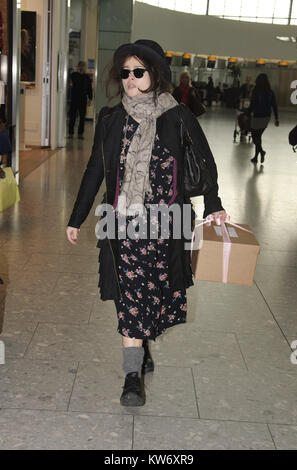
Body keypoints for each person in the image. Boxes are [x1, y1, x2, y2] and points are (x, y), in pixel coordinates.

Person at [66, 39, 226, 407]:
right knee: (130, 304)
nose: (131, 80)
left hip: (167, 227)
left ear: (155, 75)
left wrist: (213, 205)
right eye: (125, 73)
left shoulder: (178, 116)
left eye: (139, 72)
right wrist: (77, 217)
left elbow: (206, 162)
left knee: (155, 299)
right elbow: (95, 171)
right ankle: (131, 376)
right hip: (121, 227)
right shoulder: (110, 119)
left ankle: (144, 342)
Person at [245, 73, 279, 164]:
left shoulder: (256, 91)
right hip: (266, 117)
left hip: (257, 117)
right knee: (258, 136)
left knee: (254, 136)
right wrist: (276, 118)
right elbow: (274, 106)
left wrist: (246, 114)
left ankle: (261, 152)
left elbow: (252, 105)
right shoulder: (270, 92)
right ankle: (257, 156)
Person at [68, 61, 93, 139]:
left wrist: (90, 98)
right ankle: (71, 133)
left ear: (85, 67)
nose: (82, 68)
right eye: (80, 66)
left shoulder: (87, 77)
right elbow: (69, 84)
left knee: (82, 117)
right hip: (74, 99)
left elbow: (89, 89)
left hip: (83, 100)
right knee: (73, 116)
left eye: (83, 66)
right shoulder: (73, 75)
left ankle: (80, 133)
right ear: (78, 67)